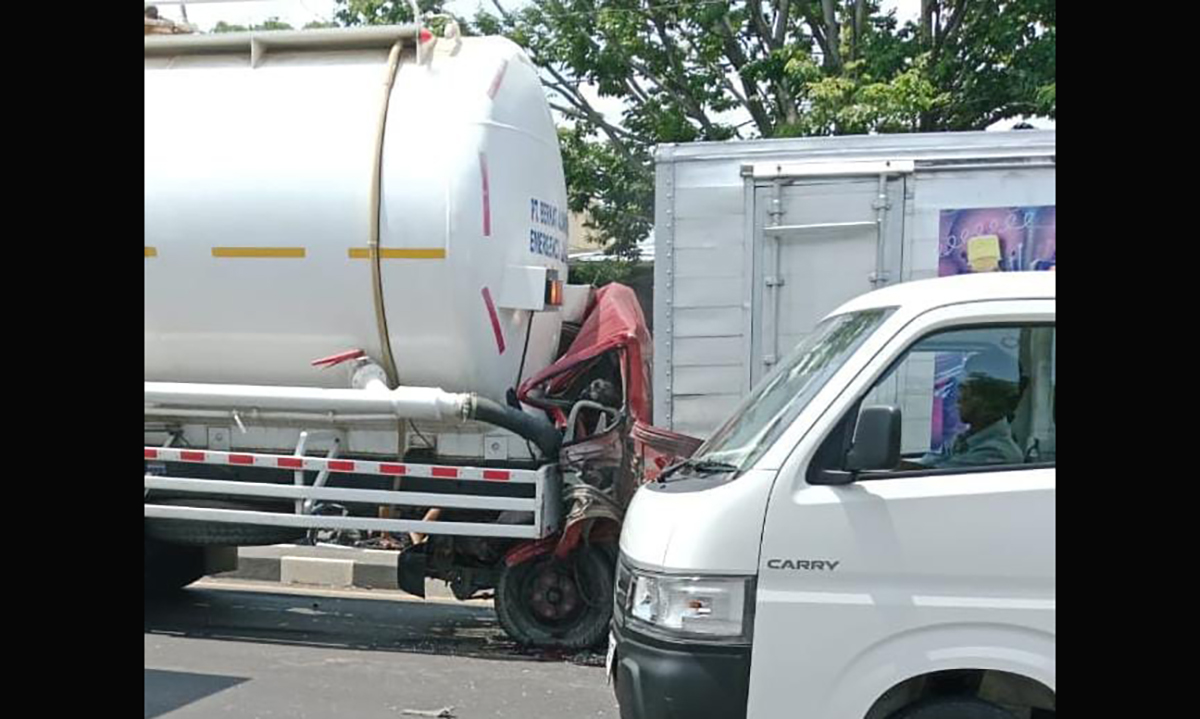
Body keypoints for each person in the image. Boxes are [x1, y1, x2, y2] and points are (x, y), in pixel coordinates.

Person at [916, 372, 1023, 468]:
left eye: (965, 398)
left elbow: (933, 475)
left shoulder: (997, 452)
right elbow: (928, 463)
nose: (958, 403)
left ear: (988, 405)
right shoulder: (964, 437)